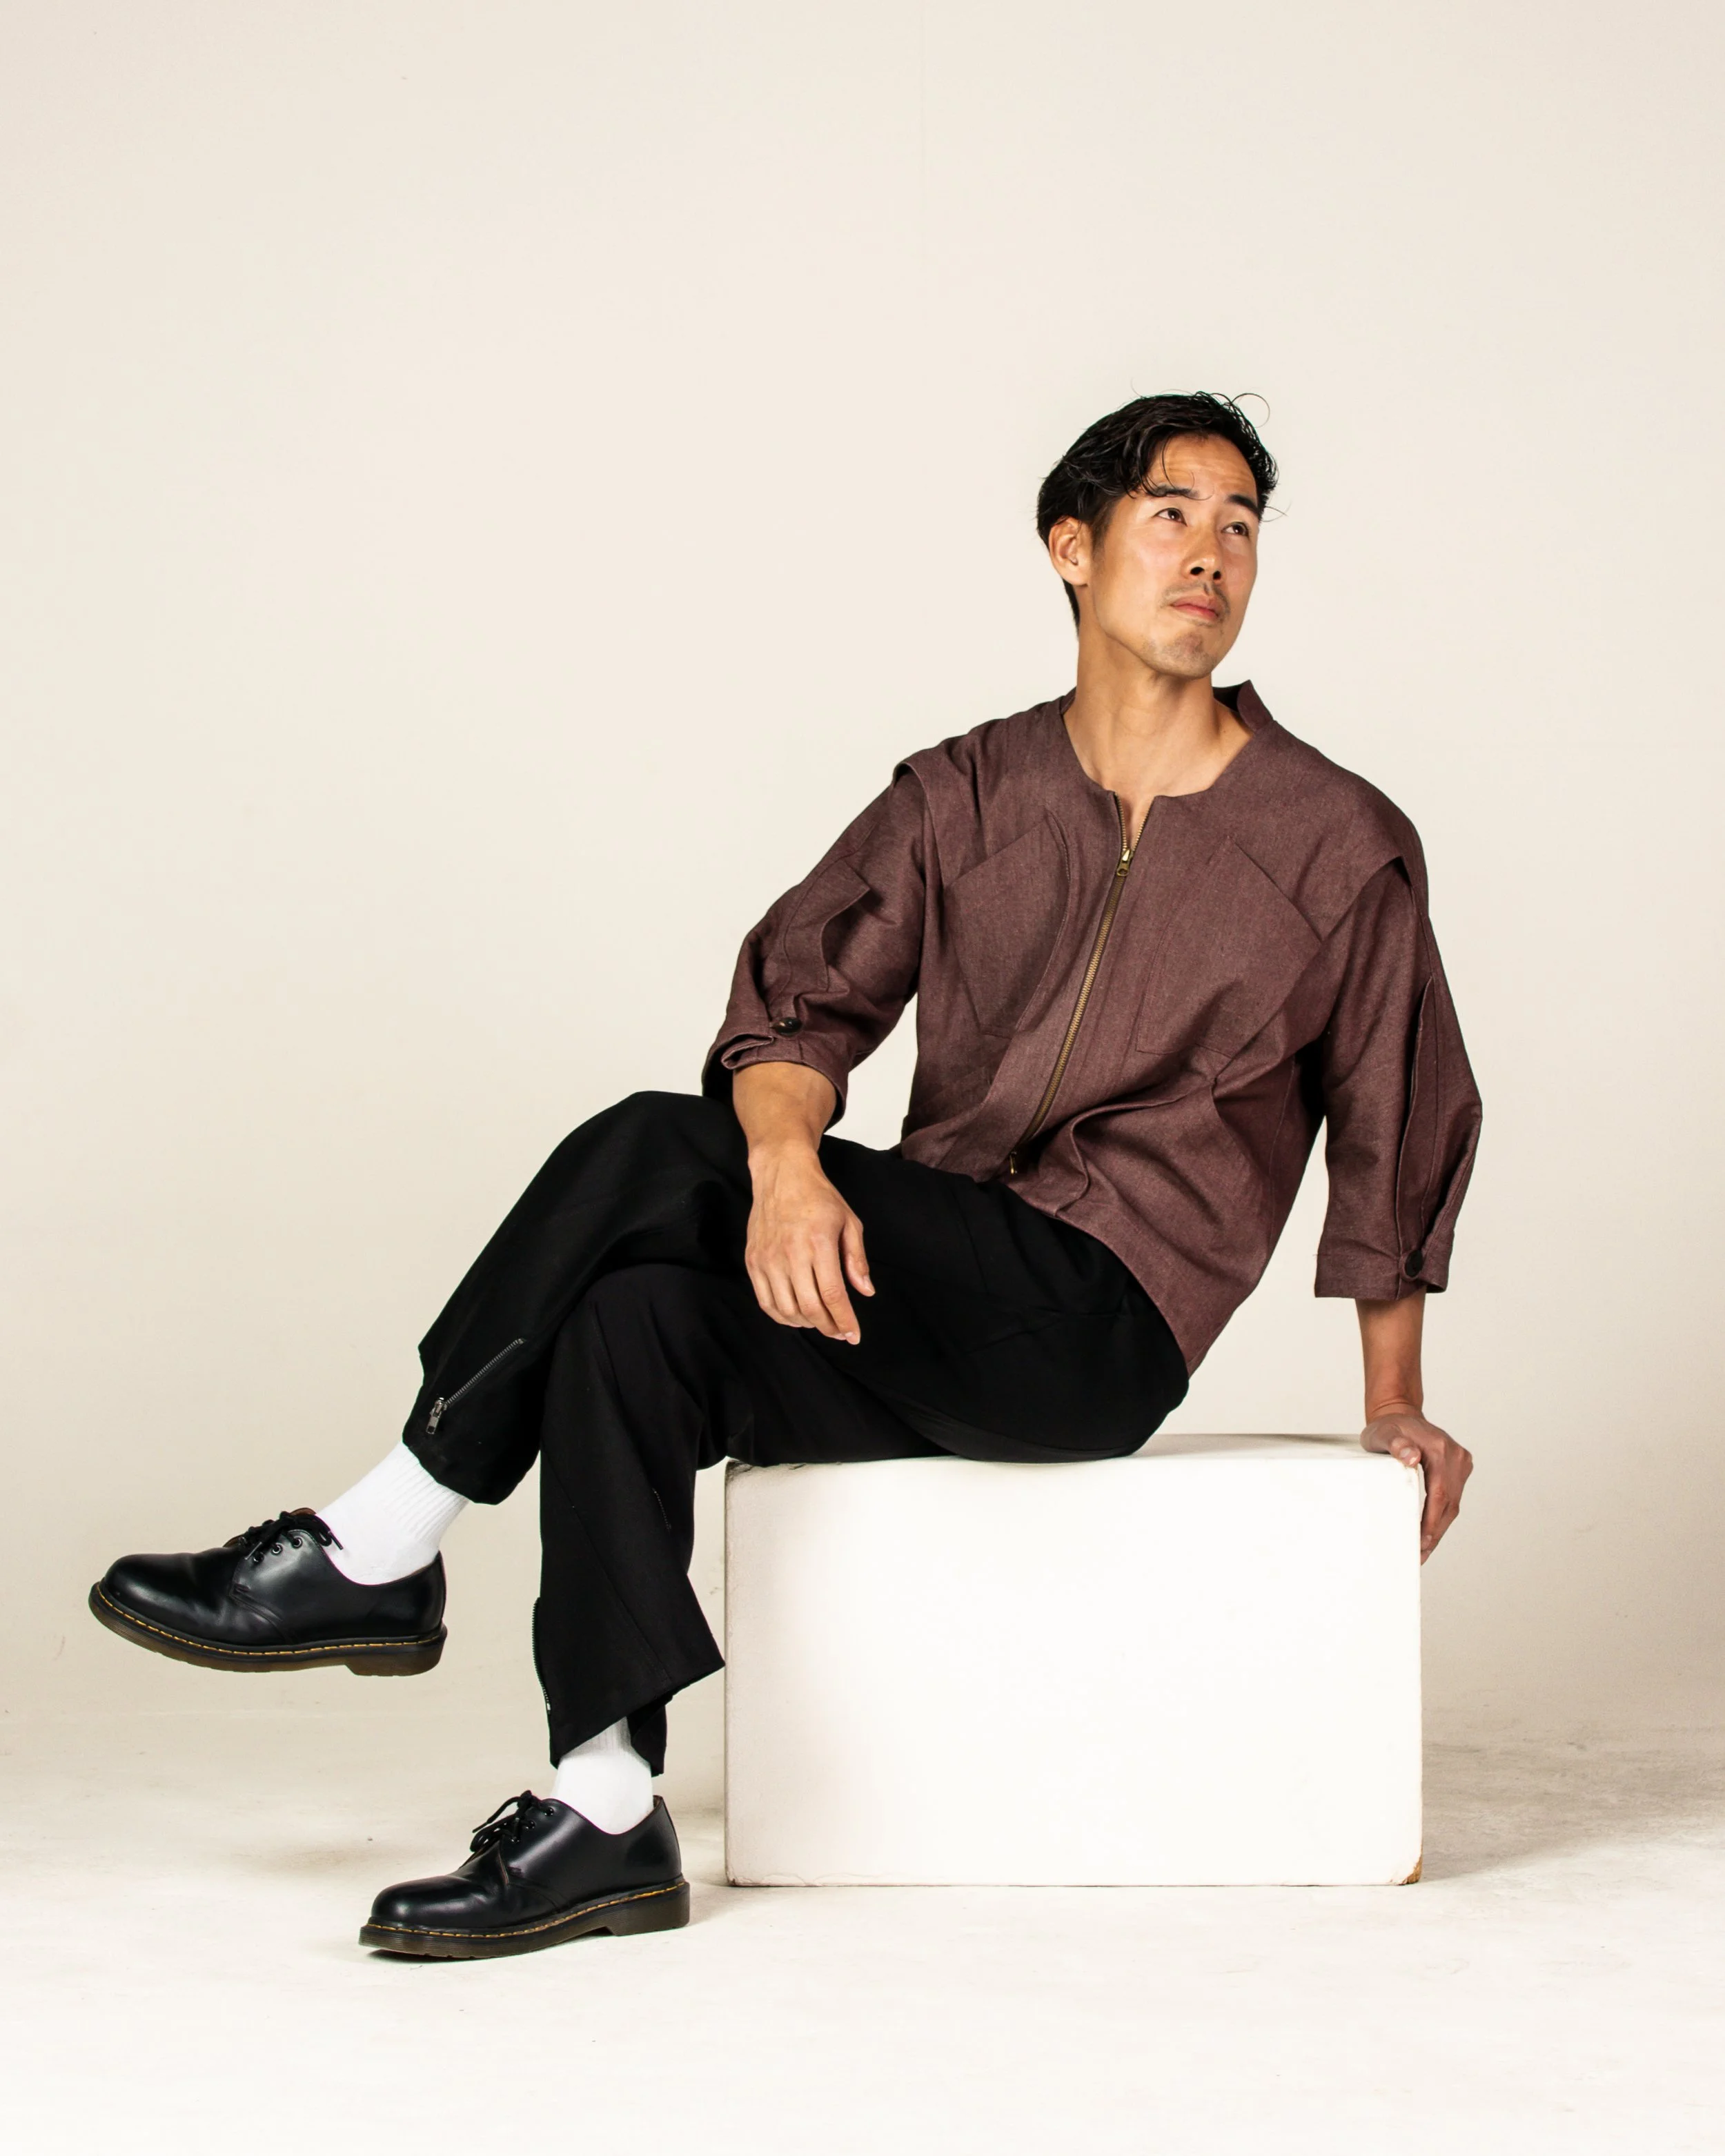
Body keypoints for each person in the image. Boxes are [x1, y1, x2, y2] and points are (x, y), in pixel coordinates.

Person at [89, 392, 1481, 1959]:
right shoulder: (960, 794)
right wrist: (785, 1168)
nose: (1209, 551)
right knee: (633, 1317)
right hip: (927, 1284)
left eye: (1240, 523)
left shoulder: (1334, 840)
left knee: (636, 1140)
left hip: (1100, 1324)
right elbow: (791, 1007)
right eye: (1171, 512)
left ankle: (388, 1535)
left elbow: (1393, 1109)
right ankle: (603, 1807)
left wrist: (1391, 1398)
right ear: (1070, 550)